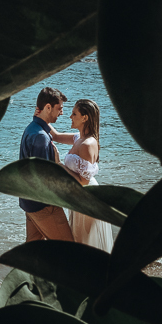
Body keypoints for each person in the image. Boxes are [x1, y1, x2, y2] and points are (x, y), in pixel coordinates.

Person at [19, 87, 73, 242]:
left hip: (30, 203)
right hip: (44, 206)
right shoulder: (40, 137)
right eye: (59, 109)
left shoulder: (32, 128)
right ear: (48, 107)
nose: (61, 113)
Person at [60, 99, 114, 252]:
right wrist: (41, 116)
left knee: (87, 243)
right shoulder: (79, 138)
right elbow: (55, 135)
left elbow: (83, 181)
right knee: (79, 240)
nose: (70, 116)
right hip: (79, 197)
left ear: (85, 117)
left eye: (74, 113)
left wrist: (60, 166)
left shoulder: (87, 144)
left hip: (89, 197)